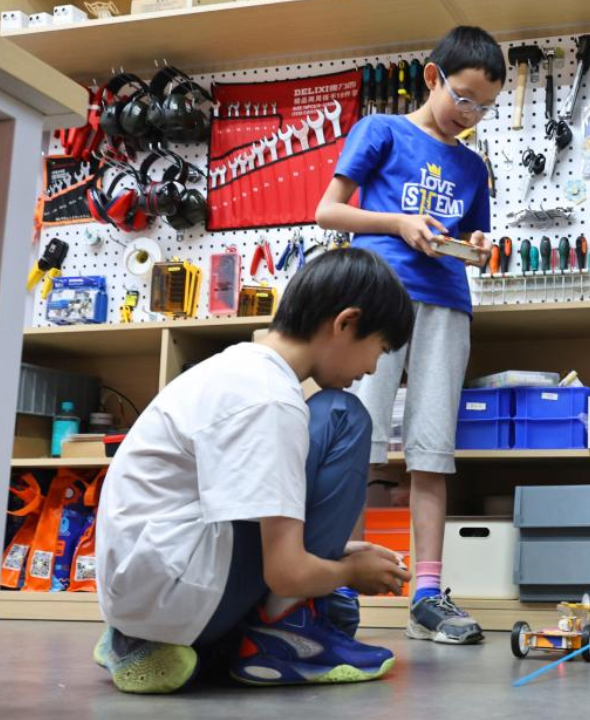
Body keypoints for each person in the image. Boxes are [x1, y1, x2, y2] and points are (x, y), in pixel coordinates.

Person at [94, 249, 414, 693]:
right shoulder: (271, 399)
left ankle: (143, 640)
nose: (372, 368)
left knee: (327, 417)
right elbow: (286, 574)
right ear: (345, 323)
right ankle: (286, 635)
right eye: (379, 349)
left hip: (140, 595)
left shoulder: (235, 368)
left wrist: (336, 549)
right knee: (343, 415)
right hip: (177, 596)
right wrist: (350, 572)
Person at [315, 25, 504, 645]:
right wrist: (398, 223)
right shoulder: (382, 131)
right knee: (356, 444)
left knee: (431, 451)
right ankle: (337, 586)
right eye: (464, 98)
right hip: (378, 298)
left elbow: (471, 234)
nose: (470, 115)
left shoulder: (473, 164)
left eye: (484, 107)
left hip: (447, 303)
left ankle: (426, 596)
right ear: (432, 77)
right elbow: (328, 210)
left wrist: (477, 245)